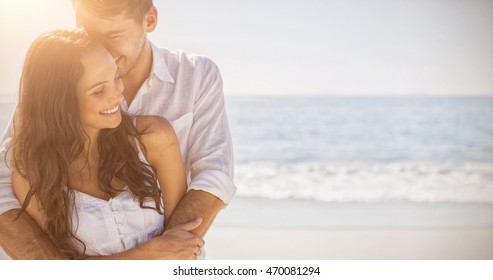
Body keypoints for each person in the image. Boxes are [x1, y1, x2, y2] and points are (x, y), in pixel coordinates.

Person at [0, 0, 235, 259]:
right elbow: (6, 179)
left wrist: (170, 253)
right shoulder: (56, 93)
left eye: (113, 35)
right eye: (87, 34)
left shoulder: (196, 77)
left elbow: (214, 174)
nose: (101, 49)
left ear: (150, 20)